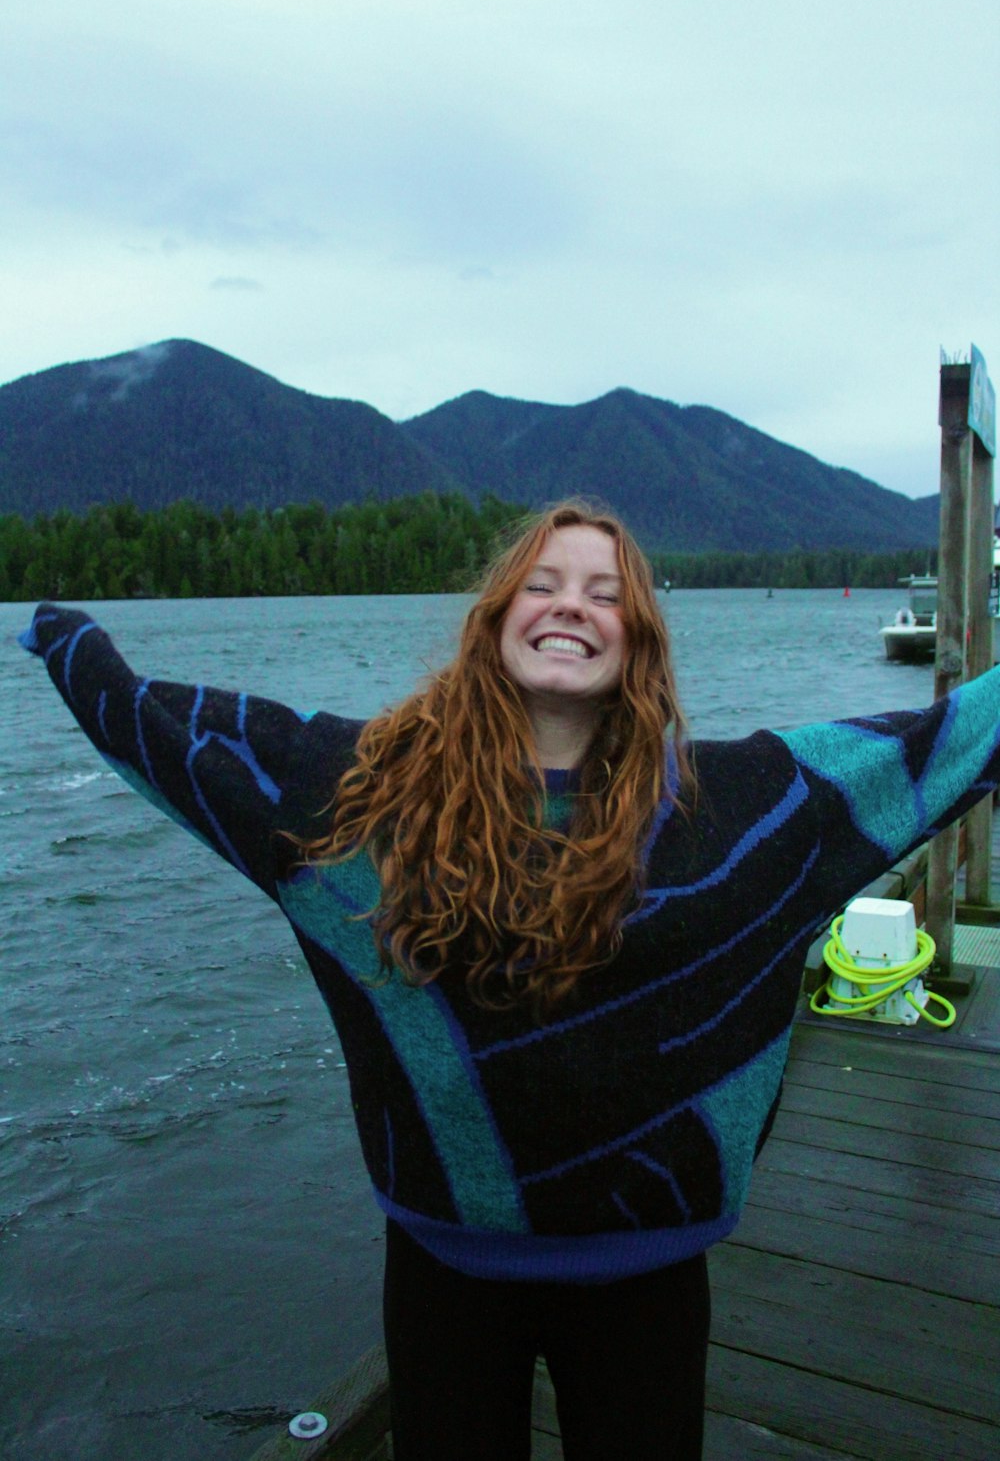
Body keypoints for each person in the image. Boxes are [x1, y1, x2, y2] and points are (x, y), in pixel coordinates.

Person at [20, 499, 1000, 1460]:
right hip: (443, 1272)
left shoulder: (742, 804)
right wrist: (64, 636)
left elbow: (940, 744)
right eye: (540, 584)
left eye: (604, 594)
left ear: (641, 643)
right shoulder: (360, 794)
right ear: (493, 625)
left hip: (647, 1280)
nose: (569, 604)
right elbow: (166, 733)